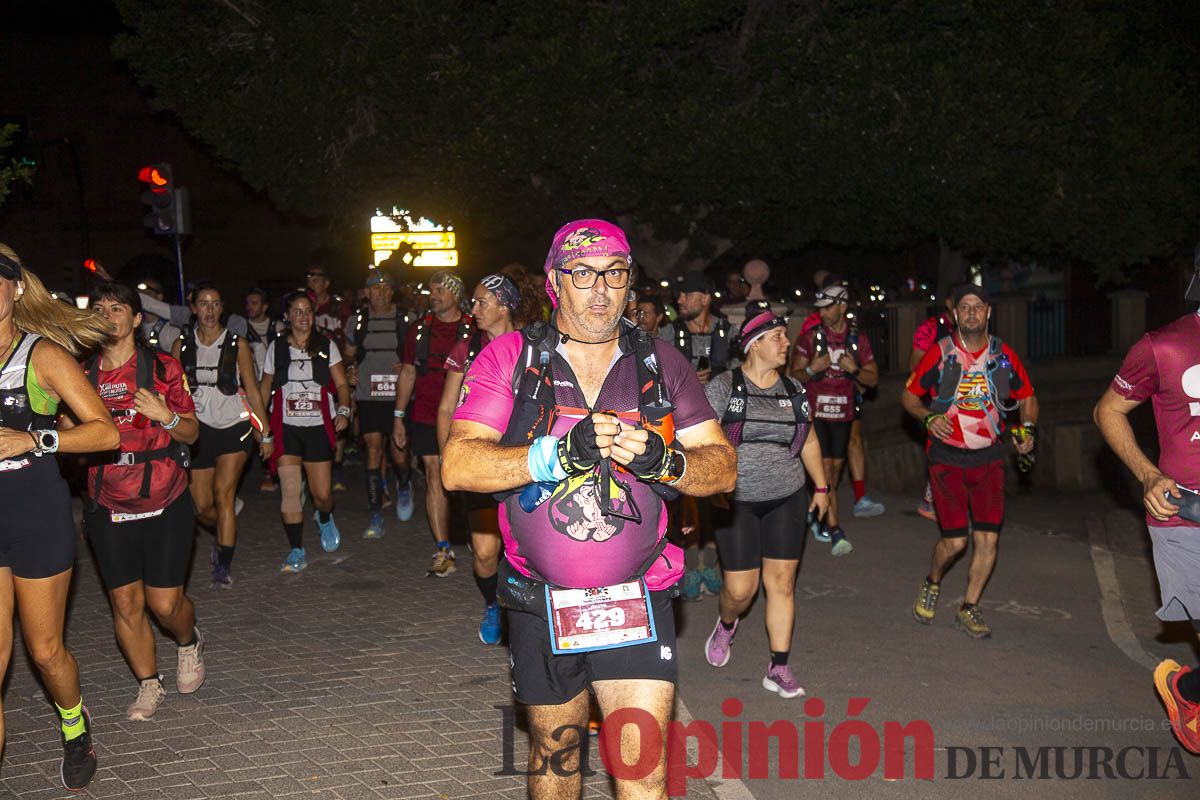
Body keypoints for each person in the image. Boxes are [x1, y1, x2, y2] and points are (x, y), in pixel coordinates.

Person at [442, 219, 736, 800]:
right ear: (555, 281)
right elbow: (459, 465)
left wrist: (667, 462)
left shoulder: (663, 364)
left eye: (615, 274)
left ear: (630, 283)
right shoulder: (512, 357)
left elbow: (723, 467)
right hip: (539, 597)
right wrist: (553, 454)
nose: (600, 289)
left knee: (645, 772)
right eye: (583, 274)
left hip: (637, 594)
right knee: (557, 759)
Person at [0, 244, 118, 790]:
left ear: (16, 288)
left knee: (45, 653)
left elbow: (105, 431)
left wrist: (34, 436)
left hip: (35, 518)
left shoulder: (41, 354)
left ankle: (75, 724)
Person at [82, 282, 208, 724]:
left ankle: (189, 641)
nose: (107, 314)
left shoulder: (164, 367)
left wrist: (166, 416)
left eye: (117, 308)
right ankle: (148, 683)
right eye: (99, 307)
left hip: (165, 498)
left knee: (165, 605)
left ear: (136, 319)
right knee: (127, 604)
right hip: (108, 503)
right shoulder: (81, 374)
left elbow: (192, 433)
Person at [1093, 262, 1200, 754]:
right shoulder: (1164, 346)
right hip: (1185, 516)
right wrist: (1149, 473)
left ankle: (1189, 691)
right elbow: (1107, 410)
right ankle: (1185, 691)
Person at [702, 309, 828, 699]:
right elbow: (703, 440)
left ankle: (779, 666)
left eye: (785, 337)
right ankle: (726, 624)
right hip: (735, 500)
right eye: (777, 336)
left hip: (787, 497)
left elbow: (807, 440)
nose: (786, 343)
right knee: (741, 591)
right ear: (754, 343)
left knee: (782, 584)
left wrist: (821, 488)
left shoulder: (793, 390)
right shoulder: (724, 388)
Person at [902, 284, 1037, 638]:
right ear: (955, 314)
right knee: (956, 543)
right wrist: (928, 418)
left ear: (988, 311)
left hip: (990, 457)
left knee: (988, 540)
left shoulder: (1002, 356)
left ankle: (969, 606)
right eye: (965, 307)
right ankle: (932, 582)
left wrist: (1027, 430)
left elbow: (1027, 397)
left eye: (978, 306)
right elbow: (909, 396)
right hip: (946, 458)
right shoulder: (941, 353)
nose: (972, 312)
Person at [436, 273, 536, 644]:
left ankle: (531, 615)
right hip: (481, 461)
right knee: (484, 553)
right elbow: (447, 407)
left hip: (527, 464)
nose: (473, 310)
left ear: (505, 305)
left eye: (481, 303)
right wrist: (449, 457)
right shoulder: (467, 349)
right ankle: (492, 602)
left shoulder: (535, 344)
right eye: (472, 302)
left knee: (531, 550)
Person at [172, 283, 272, 588]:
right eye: (203, 304)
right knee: (201, 506)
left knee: (223, 495)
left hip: (234, 426)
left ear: (222, 308)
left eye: (215, 304)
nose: (210, 310)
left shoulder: (237, 343)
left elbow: (253, 390)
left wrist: (264, 431)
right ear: (194, 308)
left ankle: (223, 564)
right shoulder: (182, 345)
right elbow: (173, 394)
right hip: (199, 430)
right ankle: (224, 531)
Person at [260, 291, 352, 572]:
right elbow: (264, 389)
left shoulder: (326, 345)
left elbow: (342, 385)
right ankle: (297, 549)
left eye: (308, 311)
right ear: (287, 316)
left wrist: (345, 410)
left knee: (322, 494)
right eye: (297, 311)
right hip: (286, 428)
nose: (304, 317)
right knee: (289, 491)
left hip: (317, 427)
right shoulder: (275, 347)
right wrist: (262, 428)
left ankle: (324, 517)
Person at [391, 270, 474, 576]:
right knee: (434, 474)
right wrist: (399, 417)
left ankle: (477, 536)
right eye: (431, 290)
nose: (433, 295)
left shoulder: (473, 327)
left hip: (467, 413)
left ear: (455, 293)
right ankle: (443, 549)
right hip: (426, 413)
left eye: (440, 290)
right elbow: (408, 373)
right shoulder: (418, 330)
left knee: (468, 480)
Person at [790, 284, 879, 555]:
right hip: (816, 414)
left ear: (843, 306)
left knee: (834, 474)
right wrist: (811, 368)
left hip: (844, 413)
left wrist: (855, 370)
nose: (823, 313)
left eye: (828, 307)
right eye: (820, 308)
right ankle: (835, 528)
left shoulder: (858, 339)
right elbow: (793, 377)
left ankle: (819, 514)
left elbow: (873, 379)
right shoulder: (810, 339)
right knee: (826, 472)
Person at [343, 271, 414, 538]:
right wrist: (350, 370)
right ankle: (375, 511)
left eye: (386, 288)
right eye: (375, 288)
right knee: (373, 449)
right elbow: (348, 355)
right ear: (366, 292)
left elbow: (417, 356)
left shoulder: (405, 320)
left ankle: (404, 484)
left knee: (398, 451)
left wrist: (407, 364)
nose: (381, 293)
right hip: (368, 393)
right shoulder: (357, 322)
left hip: (399, 393)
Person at [910, 288, 960, 521]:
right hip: (936, 400)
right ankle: (935, 503)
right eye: (963, 302)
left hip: (965, 399)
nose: (969, 310)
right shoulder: (930, 328)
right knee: (945, 451)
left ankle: (933, 501)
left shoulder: (970, 330)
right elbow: (915, 364)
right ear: (949, 303)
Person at [306, 264, 353, 491]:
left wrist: (350, 366)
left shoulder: (337, 307)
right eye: (310, 277)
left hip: (337, 365)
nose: (312, 281)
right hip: (310, 367)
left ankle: (336, 463)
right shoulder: (304, 304)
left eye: (317, 277)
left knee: (338, 411)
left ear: (326, 282)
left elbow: (350, 337)